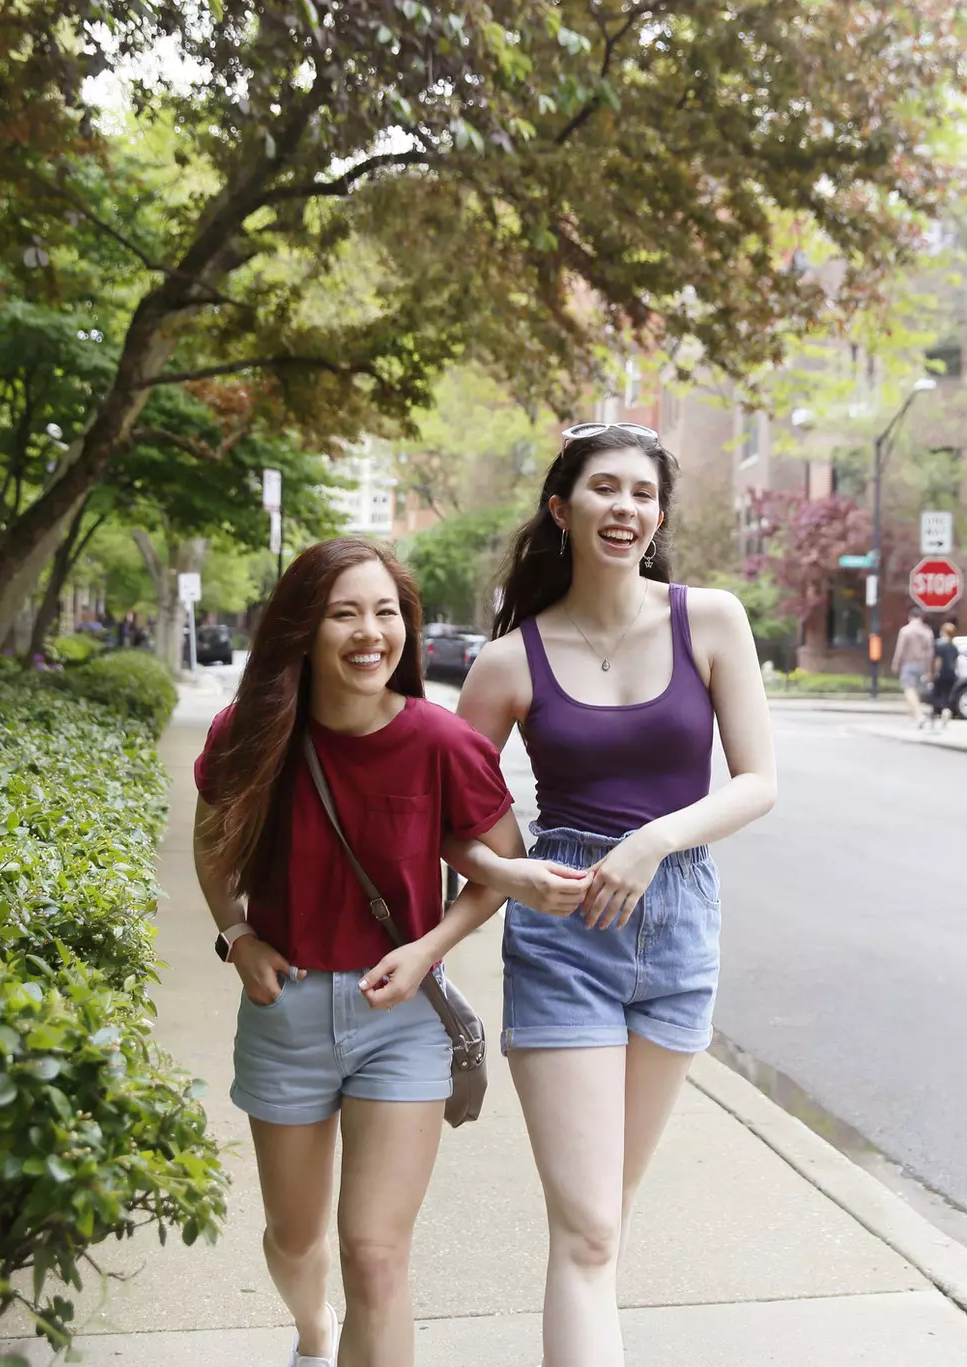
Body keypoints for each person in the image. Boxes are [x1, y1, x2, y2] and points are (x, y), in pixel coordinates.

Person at [192, 538, 585, 1367]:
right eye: (345, 613)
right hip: (285, 1009)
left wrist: (427, 949)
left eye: (385, 612)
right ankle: (312, 1331)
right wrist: (238, 934)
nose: (371, 632)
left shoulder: (442, 742)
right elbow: (214, 843)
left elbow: (494, 873)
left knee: (376, 1253)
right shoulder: (250, 731)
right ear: (304, 627)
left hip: (401, 1018)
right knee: (293, 1243)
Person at [445, 421, 779, 1367]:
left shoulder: (710, 619)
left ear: (659, 513)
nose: (625, 508)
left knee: (601, 1228)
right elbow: (452, 816)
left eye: (642, 493)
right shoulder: (510, 661)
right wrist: (511, 875)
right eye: (604, 490)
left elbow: (758, 780)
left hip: (678, 929)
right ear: (562, 508)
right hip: (565, 941)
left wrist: (655, 839)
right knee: (590, 1231)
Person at [891, 607, 936, 727]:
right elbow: (930, 652)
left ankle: (919, 714)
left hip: (908, 663)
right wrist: (930, 669)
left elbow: (900, 649)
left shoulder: (905, 631)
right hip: (922, 664)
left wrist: (896, 663)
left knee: (909, 689)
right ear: (921, 617)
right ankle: (913, 712)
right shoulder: (927, 631)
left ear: (910, 617)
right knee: (918, 690)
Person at [930, 621, 961, 728]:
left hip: (942, 673)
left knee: (936, 695)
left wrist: (934, 673)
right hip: (952, 674)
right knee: (947, 695)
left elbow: (938, 660)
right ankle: (946, 711)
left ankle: (937, 714)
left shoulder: (939, 644)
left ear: (943, 631)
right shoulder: (954, 647)